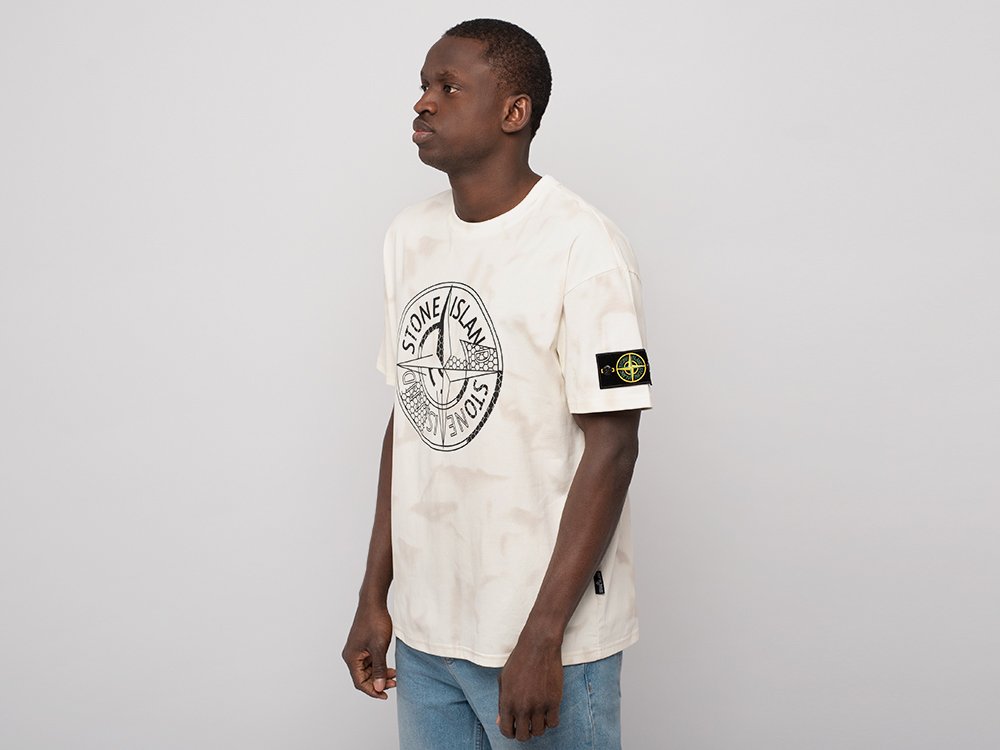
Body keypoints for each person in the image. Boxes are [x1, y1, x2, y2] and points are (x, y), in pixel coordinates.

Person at [343, 18, 653, 748]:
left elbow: (614, 448)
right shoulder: (409, 237)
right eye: (423, 85)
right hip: (427, 638)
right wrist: (374, 593)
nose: (423, 102)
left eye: (449, 87)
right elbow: (410, 416)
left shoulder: (585, 247)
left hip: (542, 640)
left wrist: (543, 638)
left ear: (515, 112)